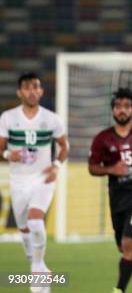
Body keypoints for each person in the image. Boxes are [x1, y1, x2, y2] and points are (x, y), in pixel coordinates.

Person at [0, 72, 69, 291]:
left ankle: (37, 269)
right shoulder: (8, 118)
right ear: (20, 92)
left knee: (36, 222)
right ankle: (41, 273)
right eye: (27, 87)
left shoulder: (51, 118)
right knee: (24, 229)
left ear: (41, 91)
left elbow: (64, 146)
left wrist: (56, 166)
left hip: (43, 178)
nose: (32, 91)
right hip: (19, 180)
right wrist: (11, 156)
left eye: (36, 87)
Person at [88, 88, 132, 293]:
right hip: (117, 197)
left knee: (128, 242)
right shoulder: (102, 139)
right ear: (112, 111)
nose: (122, 110)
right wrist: (111, 169)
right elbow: (92, 168)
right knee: (123, 246)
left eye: (127, 106)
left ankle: (119, 289)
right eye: (118, 106)